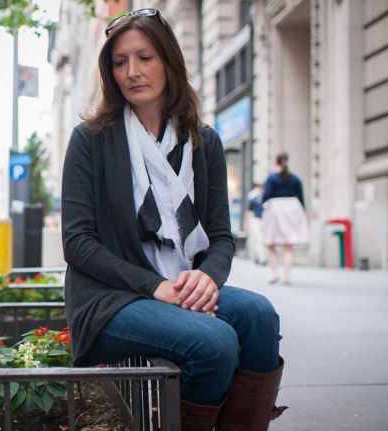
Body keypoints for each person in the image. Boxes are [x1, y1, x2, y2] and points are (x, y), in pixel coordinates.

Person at [61, 9, 286, 430]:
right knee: (213, 342)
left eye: (145, 57)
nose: (132, 72)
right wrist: (155, 286)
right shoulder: (90, 140)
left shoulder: (204, 141)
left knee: (260, 316)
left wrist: (208, 278)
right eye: (120, 61)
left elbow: (220, 236)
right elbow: (77, 243)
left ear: (168, 61)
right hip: (112, 299)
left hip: (181, 284)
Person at [261, 152, 308, 285]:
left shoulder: (271, 178)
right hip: (292, 208)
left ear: (276, 162)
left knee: (270, 244)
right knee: (288, 247)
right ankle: (286, 276)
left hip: (275, 209)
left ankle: (274, 273)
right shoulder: (295, 178)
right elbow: (301, 198)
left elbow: (266, 196)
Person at [246, 184, 267, 265]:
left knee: (260, 240)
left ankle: (261, 258)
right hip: (256, 220)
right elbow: (249, 211)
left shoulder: (264, 198)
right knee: (258, 239)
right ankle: (260, 258)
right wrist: (247, 222)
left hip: (262, 220)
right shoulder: (254, 198)